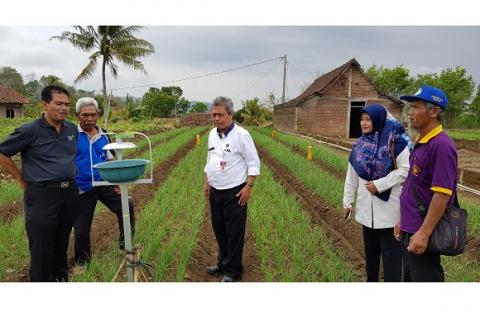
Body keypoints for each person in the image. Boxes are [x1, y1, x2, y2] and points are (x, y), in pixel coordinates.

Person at [0, 85, 78, 282]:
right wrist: (19, 177)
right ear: (45, 104)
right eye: (58, 103)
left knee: (61, 244)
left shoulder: (71, 129)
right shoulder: (30, 130)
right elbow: (3, 153)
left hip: (69, 193)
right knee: (42, 247)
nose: (64, 108)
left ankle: (60, 282)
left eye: (67, 104)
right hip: (42, 195)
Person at [343, 104, 411, 282]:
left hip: (390, 214)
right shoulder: (359, 145)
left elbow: (406, 170)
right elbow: (352, 175)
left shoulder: (396, 142)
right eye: (362, 119)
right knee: (371, 257)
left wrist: (380, 184)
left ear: (378, 119)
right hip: (367, 213)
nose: (364, 123)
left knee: (392, 261)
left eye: (368, 119)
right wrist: (347, 202)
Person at [396, 85, 457, 282]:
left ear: (434, 111)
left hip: (423, 232)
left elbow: (442, 194)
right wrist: (403, 221)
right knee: (410, 279)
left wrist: (424, 232)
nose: (410, 112)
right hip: (411, 226)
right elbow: (414, 185)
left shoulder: (441, 145)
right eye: (410, 107)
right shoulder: (422, 142)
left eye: (415, 107)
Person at [73, 97, 135, 270]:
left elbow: (110, 158)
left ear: (98, 114)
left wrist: (117, 181)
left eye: (93, 114)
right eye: (85, 115)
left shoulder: (104, 134)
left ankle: (125, 244)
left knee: (126, 205)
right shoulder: (71, 135)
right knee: (82, 226)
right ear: (78, 115)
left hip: (103, 183)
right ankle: (82, 262)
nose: (90, 119)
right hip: (83, 186)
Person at [203, 96, 260, 282]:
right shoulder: (212, 134)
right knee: (219, 230)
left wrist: (248, 187)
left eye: (220, 114)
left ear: (230, 114)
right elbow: (210, 159)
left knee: (234, 233)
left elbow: (253, 163)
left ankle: (233, 271)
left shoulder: (242, 135)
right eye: (214, 115)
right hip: (215, 190)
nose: (217, 118)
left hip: (235, 191)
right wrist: (207, 181)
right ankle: (222, 263)